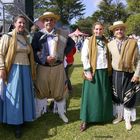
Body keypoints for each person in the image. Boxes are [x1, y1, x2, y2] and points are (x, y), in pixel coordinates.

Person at [31, 12, 74, 123]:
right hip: (43, 67)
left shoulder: (62, 34)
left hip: (57, 67)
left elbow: (72, 43)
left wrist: (62, 54)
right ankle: (39, 111)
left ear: (55, 22)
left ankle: (61, 112)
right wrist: (45, 58)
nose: (49, 22)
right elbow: (33, 52)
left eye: (51, 20)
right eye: (46, 20)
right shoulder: (37, 35)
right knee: (40, 89)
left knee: (59, 89)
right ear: (43, 22)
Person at [0, 15, 36, 138]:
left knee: (25, 95)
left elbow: (30, 53)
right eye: (19, 22)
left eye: (23, 23)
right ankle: (16, 124)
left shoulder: (25, 38)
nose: (22, 25)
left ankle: (24, 118)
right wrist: (1, 67)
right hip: (13, 70)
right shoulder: (7, 36)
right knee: (15, 95)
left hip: (26, 69)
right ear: (14, 23)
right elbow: (0, 53)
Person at [80, 22, 113, 132]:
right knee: (90, 96)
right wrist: (87, 71)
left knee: (103, 95)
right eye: (96, 29)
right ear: (93, 30)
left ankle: (102, 117)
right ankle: (85, 119)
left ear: (103, 30)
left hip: (104, 71)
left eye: (100, 29)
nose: (98, 31)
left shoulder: (106, 41)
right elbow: (84, 56)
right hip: (93, 71)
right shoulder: (88, 41)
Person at [108, 21, 140, 131]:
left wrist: (136, 74)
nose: (119, 31)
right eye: (117, 29)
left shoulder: (132, 42)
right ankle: (119, 116)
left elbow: (138, 60)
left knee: (128, 97)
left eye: (121, 29)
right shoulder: (110, 44)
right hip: (116, 74)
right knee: (117, 97)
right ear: (113, 31)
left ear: (124, 30)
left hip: (129, 74)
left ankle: (127, 120)